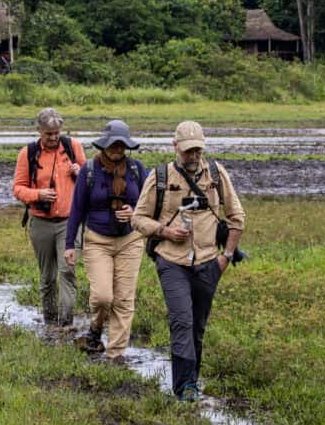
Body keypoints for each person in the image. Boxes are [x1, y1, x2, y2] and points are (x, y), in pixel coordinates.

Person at [132, 121, 245, 402]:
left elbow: (237, 217)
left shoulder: (217, 175)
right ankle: (184, 388)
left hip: (208, 262)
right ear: (175, 147)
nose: (193, 156)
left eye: (197, 150)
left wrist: (226, 256)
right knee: (181, 319)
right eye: (187, 151)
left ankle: (191, 381)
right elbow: (138, 218)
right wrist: (165, 231)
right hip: (171, 260)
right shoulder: (159, 176)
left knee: (197, 325)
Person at [64, 120, 148, 360]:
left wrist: (135, 213)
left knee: (123, 299)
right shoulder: (89, 171)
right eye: (114, 145)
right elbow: (77, 209)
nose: (118, 150)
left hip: (130, 240)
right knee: (103, 297)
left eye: (122, 146)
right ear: (104, 146)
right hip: (97, 241)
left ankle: (115, 355)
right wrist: (70, 244)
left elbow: (149, 203)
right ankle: (95, 328)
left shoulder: (137, 170)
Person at [13, 108, 86, 325]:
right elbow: (18, 188)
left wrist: (80, 172)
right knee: (47, 277)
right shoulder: (28, 153)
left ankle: (65, 323)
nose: (53, 138)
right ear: (39, 131)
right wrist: (38, 194)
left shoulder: (73, 147)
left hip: (69, 222)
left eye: (56, 133)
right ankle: (50, 321)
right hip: (40, 223)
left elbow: (89, 179)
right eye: (48, 134)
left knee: (67, 272)